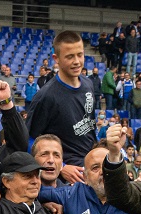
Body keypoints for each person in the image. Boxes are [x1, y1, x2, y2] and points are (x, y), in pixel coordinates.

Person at [25, 30, 95, 178]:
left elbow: (89, 128)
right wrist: (61, 167)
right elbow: (29, 140)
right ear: (56, 58)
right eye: (70, 56)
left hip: (91, 165)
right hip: (69, 174)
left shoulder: (88, 84)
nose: (76, 61)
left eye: (80, 55)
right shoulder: (46, 96)